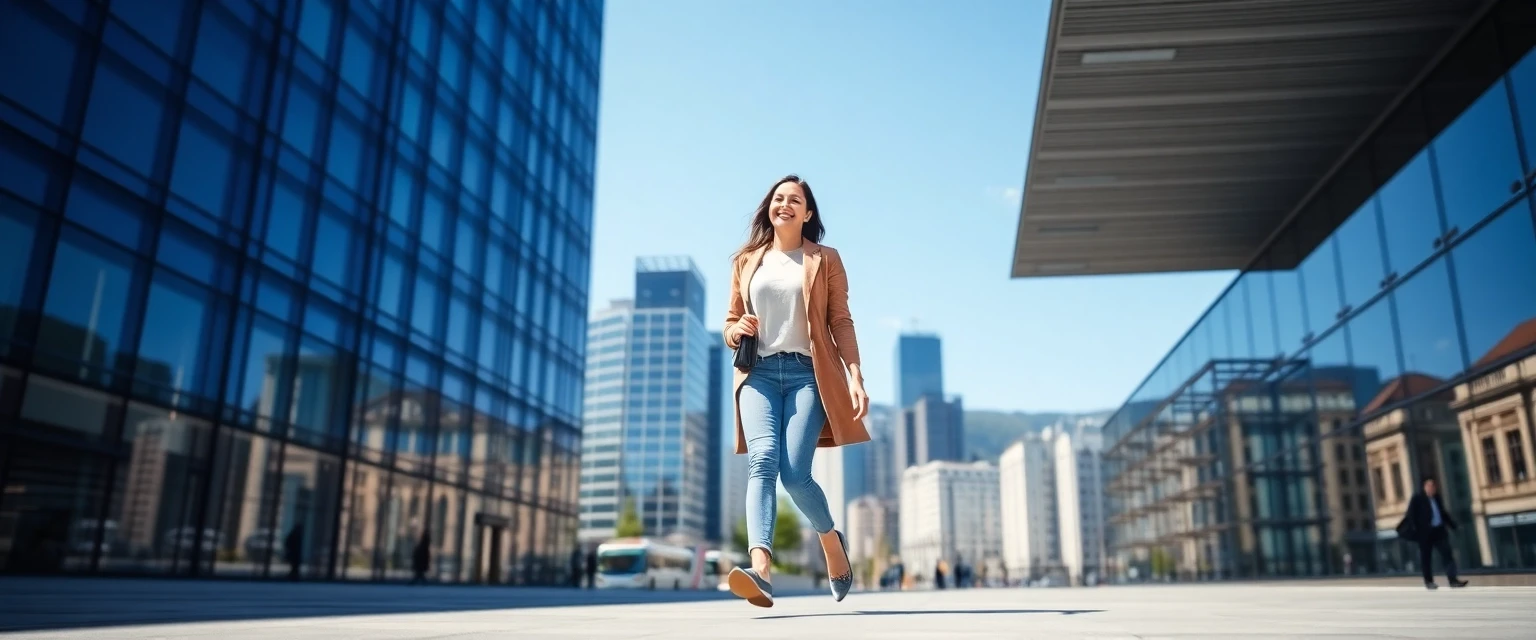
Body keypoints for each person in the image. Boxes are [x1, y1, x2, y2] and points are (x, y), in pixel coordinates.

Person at [723, 175, 870, 608]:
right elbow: (730, 322)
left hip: (809, 374)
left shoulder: (824, 259)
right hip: (759, 373)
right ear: (769, 208)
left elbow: (840, 320)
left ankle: (831, 542)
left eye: (794, 200)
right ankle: (761, 569)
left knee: (794, 473)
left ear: (807, 213)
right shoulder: (746, 260)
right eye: (778, 198)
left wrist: (855, 375)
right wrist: (737, 330)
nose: (784, 204)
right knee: (762, 459)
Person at [1396, 475, 1469, 590]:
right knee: (1426, 558)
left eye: (1434, 486)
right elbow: (1411, 515)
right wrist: (1416, 530)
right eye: (1429, 486)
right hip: (1425, 534)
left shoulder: (1437, 498)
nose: (1432, 488)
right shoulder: (1417, 498)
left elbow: (1443, 514)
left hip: (1439, 532)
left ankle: (1453, 580)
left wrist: (1454, 526)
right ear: (1425, 487)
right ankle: (1429, 582)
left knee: (1447, 555)